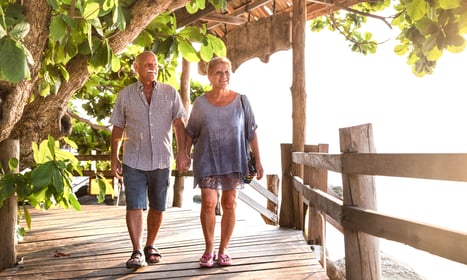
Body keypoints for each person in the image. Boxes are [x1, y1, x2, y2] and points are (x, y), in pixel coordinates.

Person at [110, 51, 189, 269]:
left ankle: (150, 245)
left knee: (158, 207)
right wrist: (114, 157)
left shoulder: (170, 93)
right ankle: (136, 251)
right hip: (133, 159)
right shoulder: (125, 95)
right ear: (136, 67)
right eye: (146, 64)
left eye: (154, 64)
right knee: (134, 205)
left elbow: (179, 125)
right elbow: (118, 127)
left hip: (162, 160)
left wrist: (183, 152)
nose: (152, 67)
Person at [185, 56, 264, 268]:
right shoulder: (200, 103)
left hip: (234, 158)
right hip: (207, 158)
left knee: (229, 203)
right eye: (218, 72)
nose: (223, 76)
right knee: (209, 202)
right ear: (210, 76)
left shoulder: (241, 101)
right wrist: (183, 154)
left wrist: (259, 161)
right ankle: (209, 248)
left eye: (227, 72)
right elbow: (190, 131)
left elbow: (251, 132)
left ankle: (224, 249)